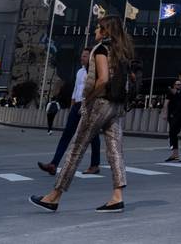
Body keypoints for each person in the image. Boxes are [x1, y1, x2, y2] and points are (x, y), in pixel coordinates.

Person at [31, 15, 133, 213]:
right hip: (117, 106)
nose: (95, 31)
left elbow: (102, 79)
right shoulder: (122, 52)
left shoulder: (102, 49)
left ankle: (54, 196)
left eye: (98, 28)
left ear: (105, 31)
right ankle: (117, 197)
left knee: (76, 148)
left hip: (100, 104)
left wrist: (89, 97)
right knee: (115, 150)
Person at [37, 48, 100, 179]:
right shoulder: (79, 72)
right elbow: (76, 90)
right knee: (67, 135)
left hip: (89, 105)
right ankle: (54, 164)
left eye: (84, 56)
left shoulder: (96, 72)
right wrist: (72, 107)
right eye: (81, 55)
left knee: (93, 135)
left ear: (91, 58)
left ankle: (95, 164)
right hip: (77, 105)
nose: (81, 58)